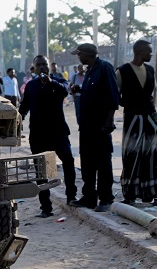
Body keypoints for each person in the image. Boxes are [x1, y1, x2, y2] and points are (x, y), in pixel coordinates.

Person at [18, 55, 77, 217]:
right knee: (41, 171)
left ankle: (71, 196)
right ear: (34, 68)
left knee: (68, 162)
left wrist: (51, 83)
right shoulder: (30, 86)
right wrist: (17, 120)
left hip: (58, 132)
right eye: (39, 65)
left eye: (45, 64)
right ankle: (46, 207)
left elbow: (65, 91)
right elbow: (24, 107)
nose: (42, 67)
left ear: (49, 66)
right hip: (38, 135)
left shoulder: (59, 81)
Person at [69, 43, 120, 212]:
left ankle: (106, 198)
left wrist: (109, 120)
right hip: (86, 126)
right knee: (88, 162)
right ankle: (89, 197)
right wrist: (80, 90)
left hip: (100, 125)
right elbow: (94, 92)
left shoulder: (104, 67)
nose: (78, 57)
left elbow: (113, 95)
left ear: (86, 54)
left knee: (103, 162)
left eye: (79, 54)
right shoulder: (90, 70)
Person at [116, 40, 157, 206]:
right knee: (131, 154)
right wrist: (130, 104)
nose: (151, 55)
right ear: (141, 52)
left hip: (151, 118)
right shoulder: (122, 71)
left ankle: (152, 193)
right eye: (149, 52)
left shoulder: (150, 70)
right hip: (133, 118)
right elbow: (116, 96)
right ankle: (130, 194)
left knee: (151, 154)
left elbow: (150, 94)